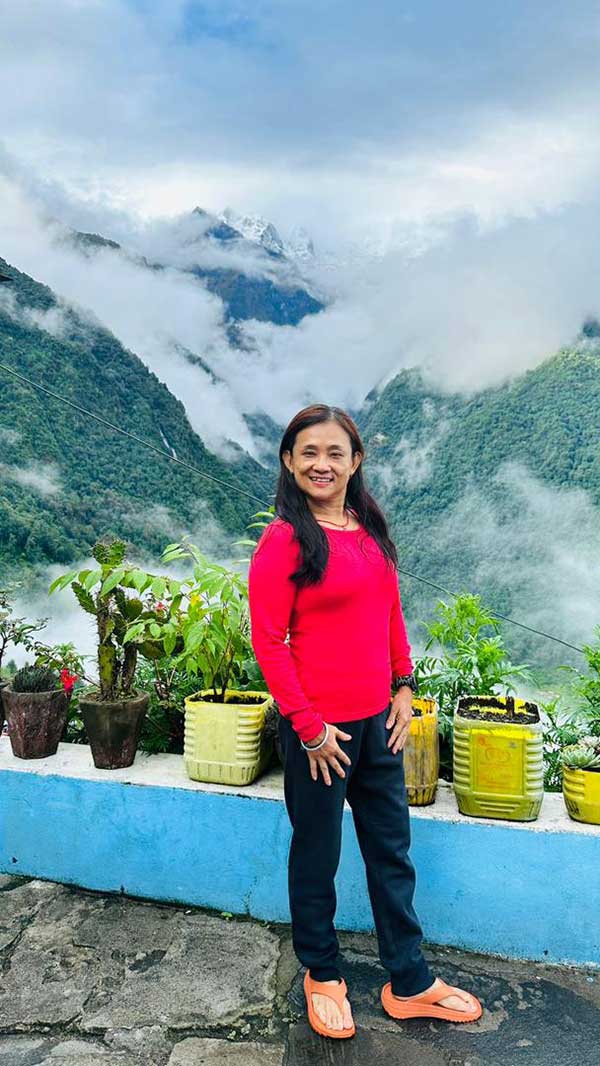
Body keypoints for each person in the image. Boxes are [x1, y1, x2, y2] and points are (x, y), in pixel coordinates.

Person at [248, 403, 482, 1040]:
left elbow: (388, 612)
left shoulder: (368, 526)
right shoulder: (285, 540)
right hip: (320, 734)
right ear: (289, 463)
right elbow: (269, 640)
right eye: (308, 453)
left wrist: (404, 683)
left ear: (356, 461)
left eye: (334, 453)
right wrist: (308, 727)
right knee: (317, 855)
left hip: (378, 722)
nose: (321, 464)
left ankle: (408, 981)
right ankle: (321, 973)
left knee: (391, 852)